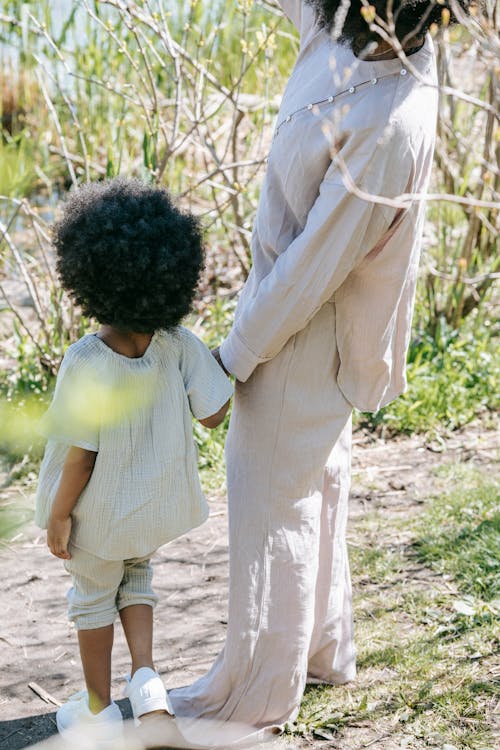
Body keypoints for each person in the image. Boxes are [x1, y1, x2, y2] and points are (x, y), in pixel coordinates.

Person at [169, 0, 470, 737]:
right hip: (305, 320)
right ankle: (323, 648)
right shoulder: (349, 36)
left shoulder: (388, 119)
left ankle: (257, 693)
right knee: (313, 485)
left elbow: (309, 273)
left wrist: (231, 360)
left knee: (272, 497)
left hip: (304, 330)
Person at [35, 178, 233, 744]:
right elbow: (215, 413)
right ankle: (147, 686)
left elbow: (80, 455)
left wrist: (58, 514)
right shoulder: (178, 342)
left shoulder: (87, 360)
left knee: (92, 598)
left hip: (99, 521)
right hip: (152, 510)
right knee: (139, 580)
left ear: (88, 278)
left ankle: (98, 709)